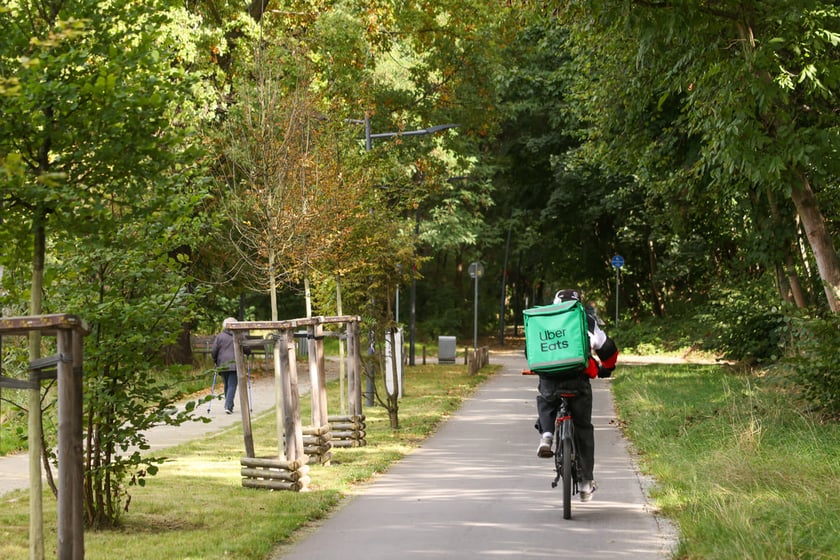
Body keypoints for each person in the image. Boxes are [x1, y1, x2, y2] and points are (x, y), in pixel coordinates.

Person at [534, 289, 618, 502]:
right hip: (578, 381)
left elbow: (532, 349)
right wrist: (606, 368)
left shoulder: (544, 317)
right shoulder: (585, 318)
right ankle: (585, 483)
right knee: (583, 428)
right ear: (578, 303)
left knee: (546, 400)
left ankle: (547, 436)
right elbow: (607, 348)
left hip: (550, 380)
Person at [211, 317, 240, 414]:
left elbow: (214, 350)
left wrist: (215, 360)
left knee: (227, 384)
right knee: (232, 385)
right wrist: (248, 352)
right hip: (235, 364)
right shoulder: (238, 335)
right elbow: (246, 347)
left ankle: (228, 405)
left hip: (222, 364)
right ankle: (228, 406)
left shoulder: (220, 336)